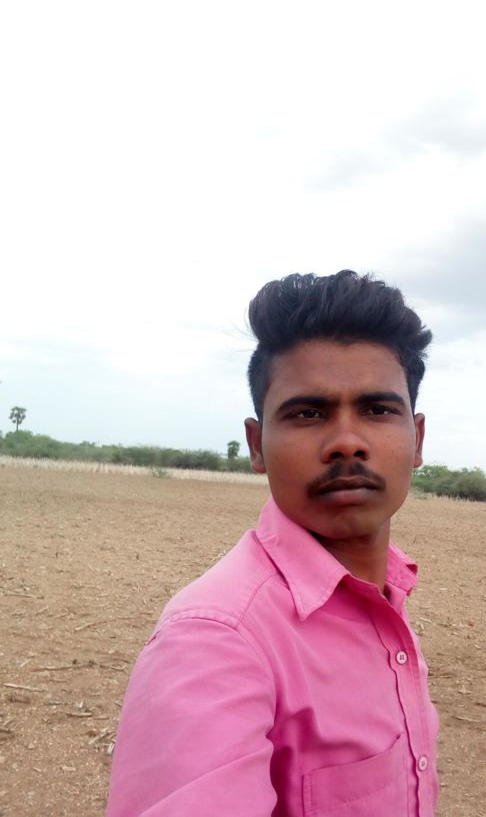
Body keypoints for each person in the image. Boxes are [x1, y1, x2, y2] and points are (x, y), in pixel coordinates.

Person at [106, 270, 439, 816]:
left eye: (378, 410)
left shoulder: (388, 595)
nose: (347, 442)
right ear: (257, 445)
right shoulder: (215, 642)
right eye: (308, 413)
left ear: (417, 438)